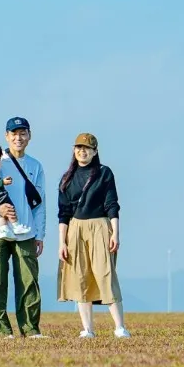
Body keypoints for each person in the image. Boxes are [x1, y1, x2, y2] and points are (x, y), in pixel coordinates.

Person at [0, 115, 46, 338]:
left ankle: (30, 328)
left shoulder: (35, 165)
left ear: (29, 136)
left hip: (26, 230)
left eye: (23, 133)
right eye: (14, 134)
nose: (18, 137)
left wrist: (40, 234)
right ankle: (2, 330)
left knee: (28, 281)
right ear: (6, 136)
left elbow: (40, 202)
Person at [57, 132, 130, 338]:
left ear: (95, 151)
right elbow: (63, 213)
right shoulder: (66, 178)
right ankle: (87, 329)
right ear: (74, 150)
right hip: (75, 228)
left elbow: (112, 204)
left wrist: (115, 232)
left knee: (105, 273)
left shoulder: (104, 173)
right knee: (80, 277)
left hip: (100, 225)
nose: (83, 151)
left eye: (87, 148)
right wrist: (61, 242)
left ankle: (120, 327)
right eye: (79, 147)